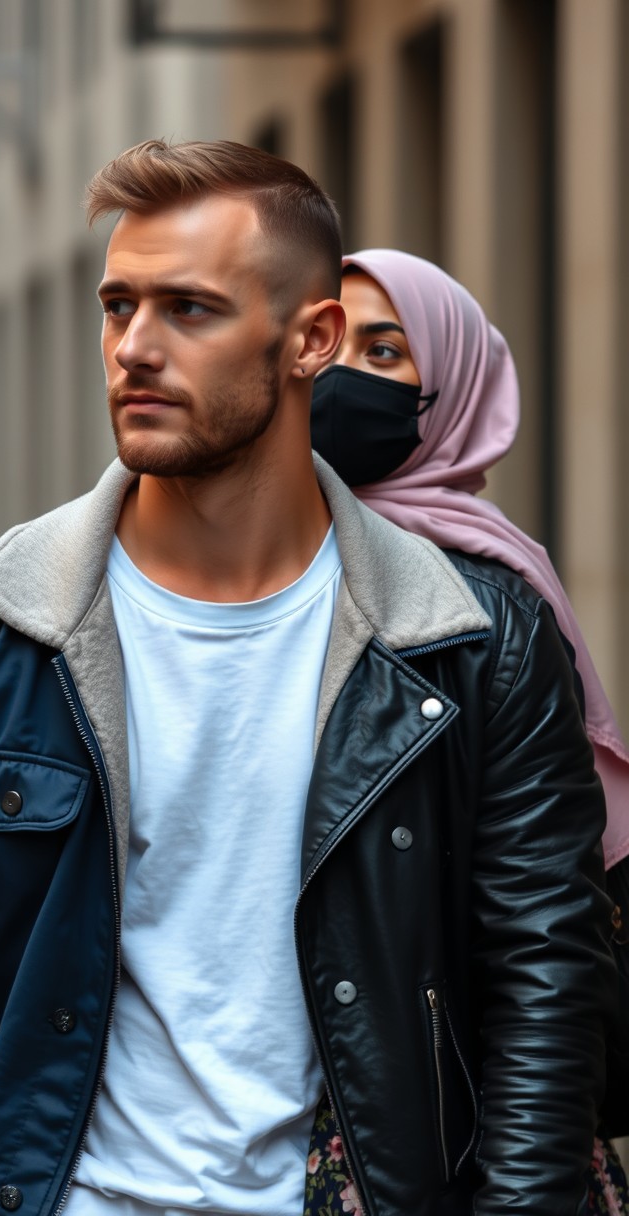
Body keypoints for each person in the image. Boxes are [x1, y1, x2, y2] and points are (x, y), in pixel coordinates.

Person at [0, 141, 616, 1216]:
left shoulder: (472, 641)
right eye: (117, 304)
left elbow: (546, 979)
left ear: (309, 339)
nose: (133, 347)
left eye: (188, 309)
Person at [310, 246, 629, 1209]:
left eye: (385, 350)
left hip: (460, 1136)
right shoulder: (243, 576)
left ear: (447, 388)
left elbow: (545, 938)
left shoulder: (492, 603)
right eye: (326, 344)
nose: (340, 378)